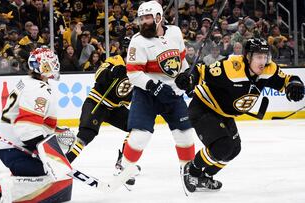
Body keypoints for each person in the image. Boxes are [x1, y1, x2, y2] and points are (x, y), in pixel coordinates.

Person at [175, 38, 304, 194]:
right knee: (223, 147)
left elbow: (288, 80)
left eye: (265, 56)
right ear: (248, 57)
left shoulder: (269, 69)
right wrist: (189, 78)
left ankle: (205, 176)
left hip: (225, 114)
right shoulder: (232, 67)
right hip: (204, 108)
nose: (263, 61)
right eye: (258, 57)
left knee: (234, 149)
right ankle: (192, 170)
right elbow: (201, 70)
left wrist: (294, 85)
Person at [0, 47, 75, 203]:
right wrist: (46, 154)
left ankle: (2, 190)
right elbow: (27, 129)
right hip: (12, 148)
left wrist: (53, 134)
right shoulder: (38, 90)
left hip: (9, 144)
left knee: (54, 172)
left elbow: (33, 123)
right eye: (51, 64)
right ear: (42, 67)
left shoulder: (29, 82)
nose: (55, 65)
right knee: (56, 176)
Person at [118, 0, 195, 189]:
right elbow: (134, 73)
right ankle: (125, 168)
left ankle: (188, 170)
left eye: (147, 18)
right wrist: (155, 87)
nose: (143, 22)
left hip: (173, 94)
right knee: (139, 136)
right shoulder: (138, 41)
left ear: (159, 18)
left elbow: (182, 62)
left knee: (185, 134)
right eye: (141, 18)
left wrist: (187, 78)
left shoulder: (175, 33)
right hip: (147, 95)